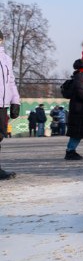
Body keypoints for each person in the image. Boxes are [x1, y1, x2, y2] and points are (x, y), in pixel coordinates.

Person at [0, 29, 21, 180]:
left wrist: (15, 101)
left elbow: (11, 82)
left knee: (0, 135)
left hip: (3, 104)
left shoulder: (6, 59)